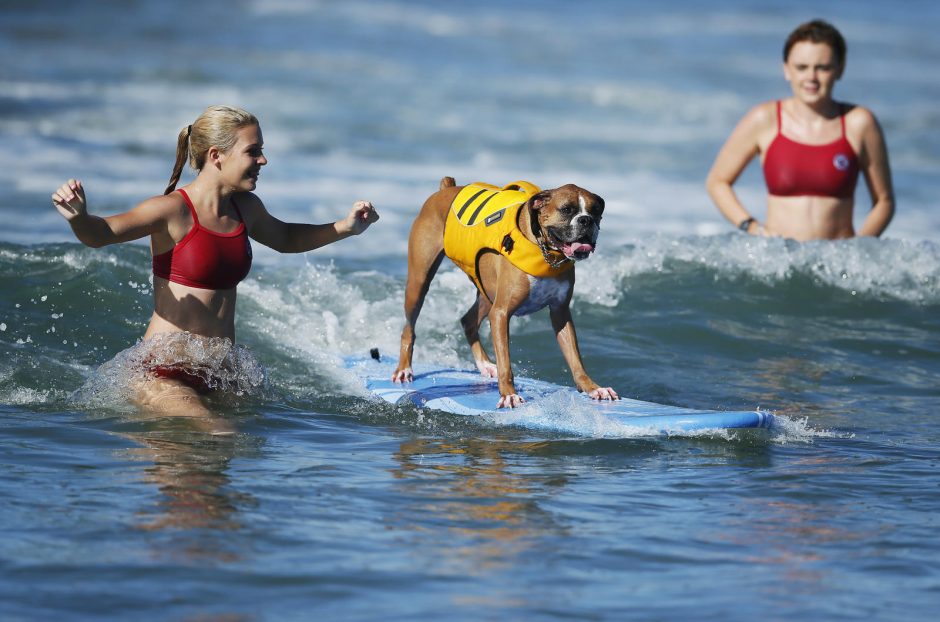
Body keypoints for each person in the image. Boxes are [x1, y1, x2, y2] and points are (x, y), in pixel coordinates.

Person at [52, 105, 379, 428]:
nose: (262, 160)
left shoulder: (245, 209)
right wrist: (79, 217)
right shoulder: (171, 211)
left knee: (260, 438)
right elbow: (100, 235)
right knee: (222, 434)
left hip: (220, 372)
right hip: (162, 372)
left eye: (261, 151)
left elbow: (286, 238)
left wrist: (345, 227)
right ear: (216, 156)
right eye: (253, 152)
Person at [706, 19, 894, 241]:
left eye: (822, 68)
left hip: (835, 265)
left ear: (840, 69)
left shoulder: (860, 123)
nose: (811, 78)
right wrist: (751, 226)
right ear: (786, 70)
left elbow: (884, 201)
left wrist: (857, 249)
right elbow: (717, 181)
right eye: (801, 67)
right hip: (780, 261)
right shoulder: (764, 119)